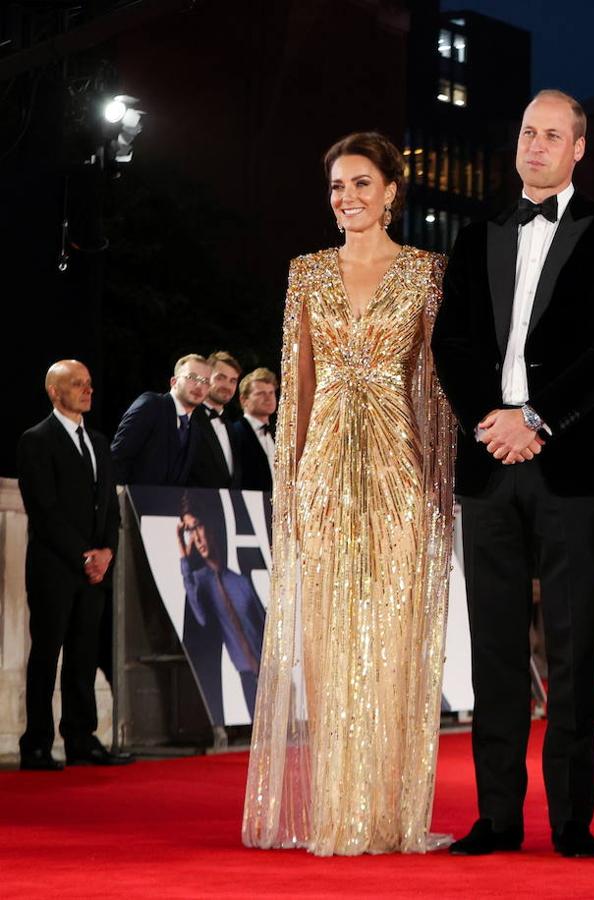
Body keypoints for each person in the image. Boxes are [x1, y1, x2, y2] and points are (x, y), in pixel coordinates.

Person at [431, 89, 594, 859]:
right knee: (492, 650)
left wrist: (540, 418)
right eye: (528, 132)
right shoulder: (477, 233)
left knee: (571, 649)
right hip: (489, 460)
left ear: (578, 149)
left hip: (573, 463)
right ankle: (495, 817)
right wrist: (487, 421)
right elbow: (449, 341)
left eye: (553, 135)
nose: (537, 145)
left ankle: (570, 819)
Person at [242, 131, 455, 856]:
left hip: (400, 466)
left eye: (363, 183)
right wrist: (293, 478)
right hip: (326, 465)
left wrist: (436, 484)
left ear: (392, 191)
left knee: (390, 634)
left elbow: (435, 389)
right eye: (338, 186)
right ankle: (340, 811)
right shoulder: (306, 273)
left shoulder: (428, 273)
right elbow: (296, 382)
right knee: (331, 640)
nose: (349, 198)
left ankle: (389, 811)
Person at [17, 360, 132, 768]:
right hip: (55, 567)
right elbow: (44, 510)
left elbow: (111, 509)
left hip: (94, 570)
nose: (87, 390)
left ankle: (81, 738)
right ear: (54, 391)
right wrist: (85, 555)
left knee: (84, 653)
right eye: (77, 384)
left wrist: (107, 552)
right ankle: (36, 743)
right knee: (47, 654)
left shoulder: (99, 441)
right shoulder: (37, 440)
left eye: (89, 384)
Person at [177, 499, 266, 723]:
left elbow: (264, 626)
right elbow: (201, 616)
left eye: (197, 526)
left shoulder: (241, 582)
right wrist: (183, 558)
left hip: (268, 673)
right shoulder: (200, 582)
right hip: (244, 677)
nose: (195, 538)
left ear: (210, 526)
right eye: (189, 531)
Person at [111, 354, 212, 487]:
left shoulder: (195, 427)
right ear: (173, 382)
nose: (199, 385)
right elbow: (118, 456)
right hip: (133, 502)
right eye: (192, 377)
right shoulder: (152, 405)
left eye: (205, 381)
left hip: (169, 505)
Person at [187, 350, 243, 489]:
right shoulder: (189, 417)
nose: (227, 386)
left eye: (233, 381)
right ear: (206, 378)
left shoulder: (230, 426)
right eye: (220, 378)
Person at [231, 367, 277, 492]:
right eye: (260, 393)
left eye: (271, 393)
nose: (268, 398)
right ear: (244, 400)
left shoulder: (277, 434)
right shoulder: (234, 432)